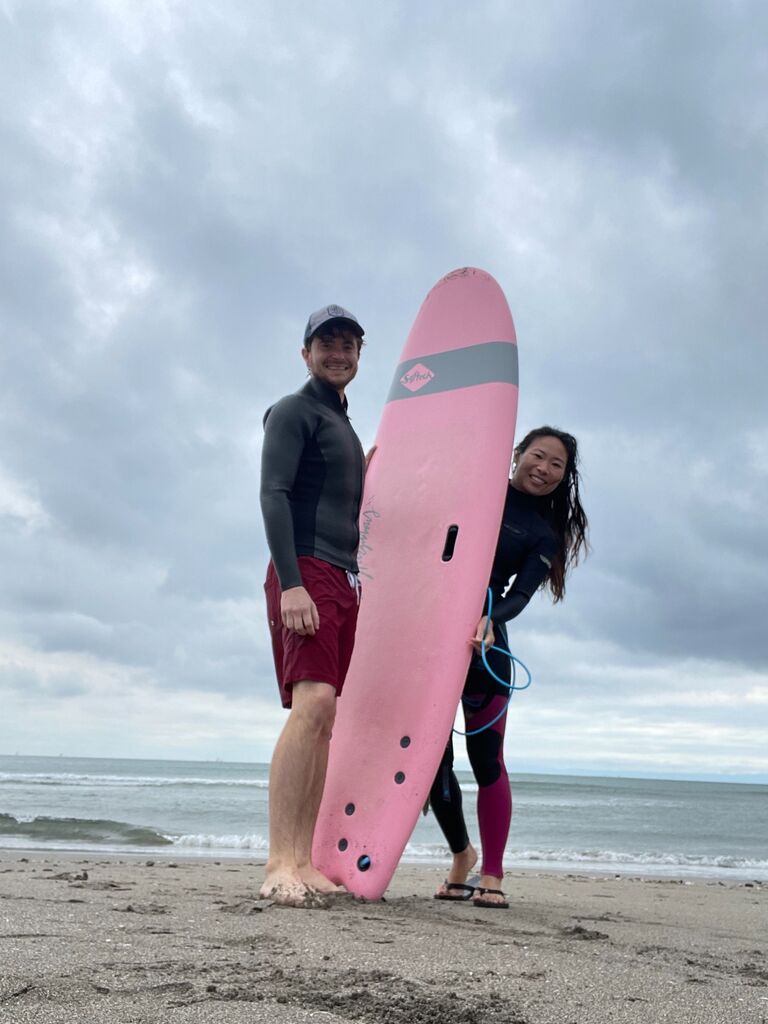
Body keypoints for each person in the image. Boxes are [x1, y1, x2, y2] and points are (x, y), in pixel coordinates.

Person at [430, 426, 589, 908]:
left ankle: (493, 874)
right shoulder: (475, 491)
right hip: (431, 637)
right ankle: (462, 856)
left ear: (564, 478)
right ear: (516, 454)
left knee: (486, 762)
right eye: (537, 456)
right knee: (431, 764)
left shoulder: (544, 533)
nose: (543, 468)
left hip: (486, 648)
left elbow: (518, 595)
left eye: (556, 465)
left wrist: (489, 619)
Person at [259, 304, 366, 906]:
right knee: (312, 705)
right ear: (305, 353)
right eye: (326, 343)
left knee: (324, 720)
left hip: (343, 579)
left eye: (349, 344)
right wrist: (293, 582)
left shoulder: (341, 424)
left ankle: (303, 858)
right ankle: (279, 860)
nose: (338, 353)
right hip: (307, 570)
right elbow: (273, 494)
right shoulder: (293, 411)